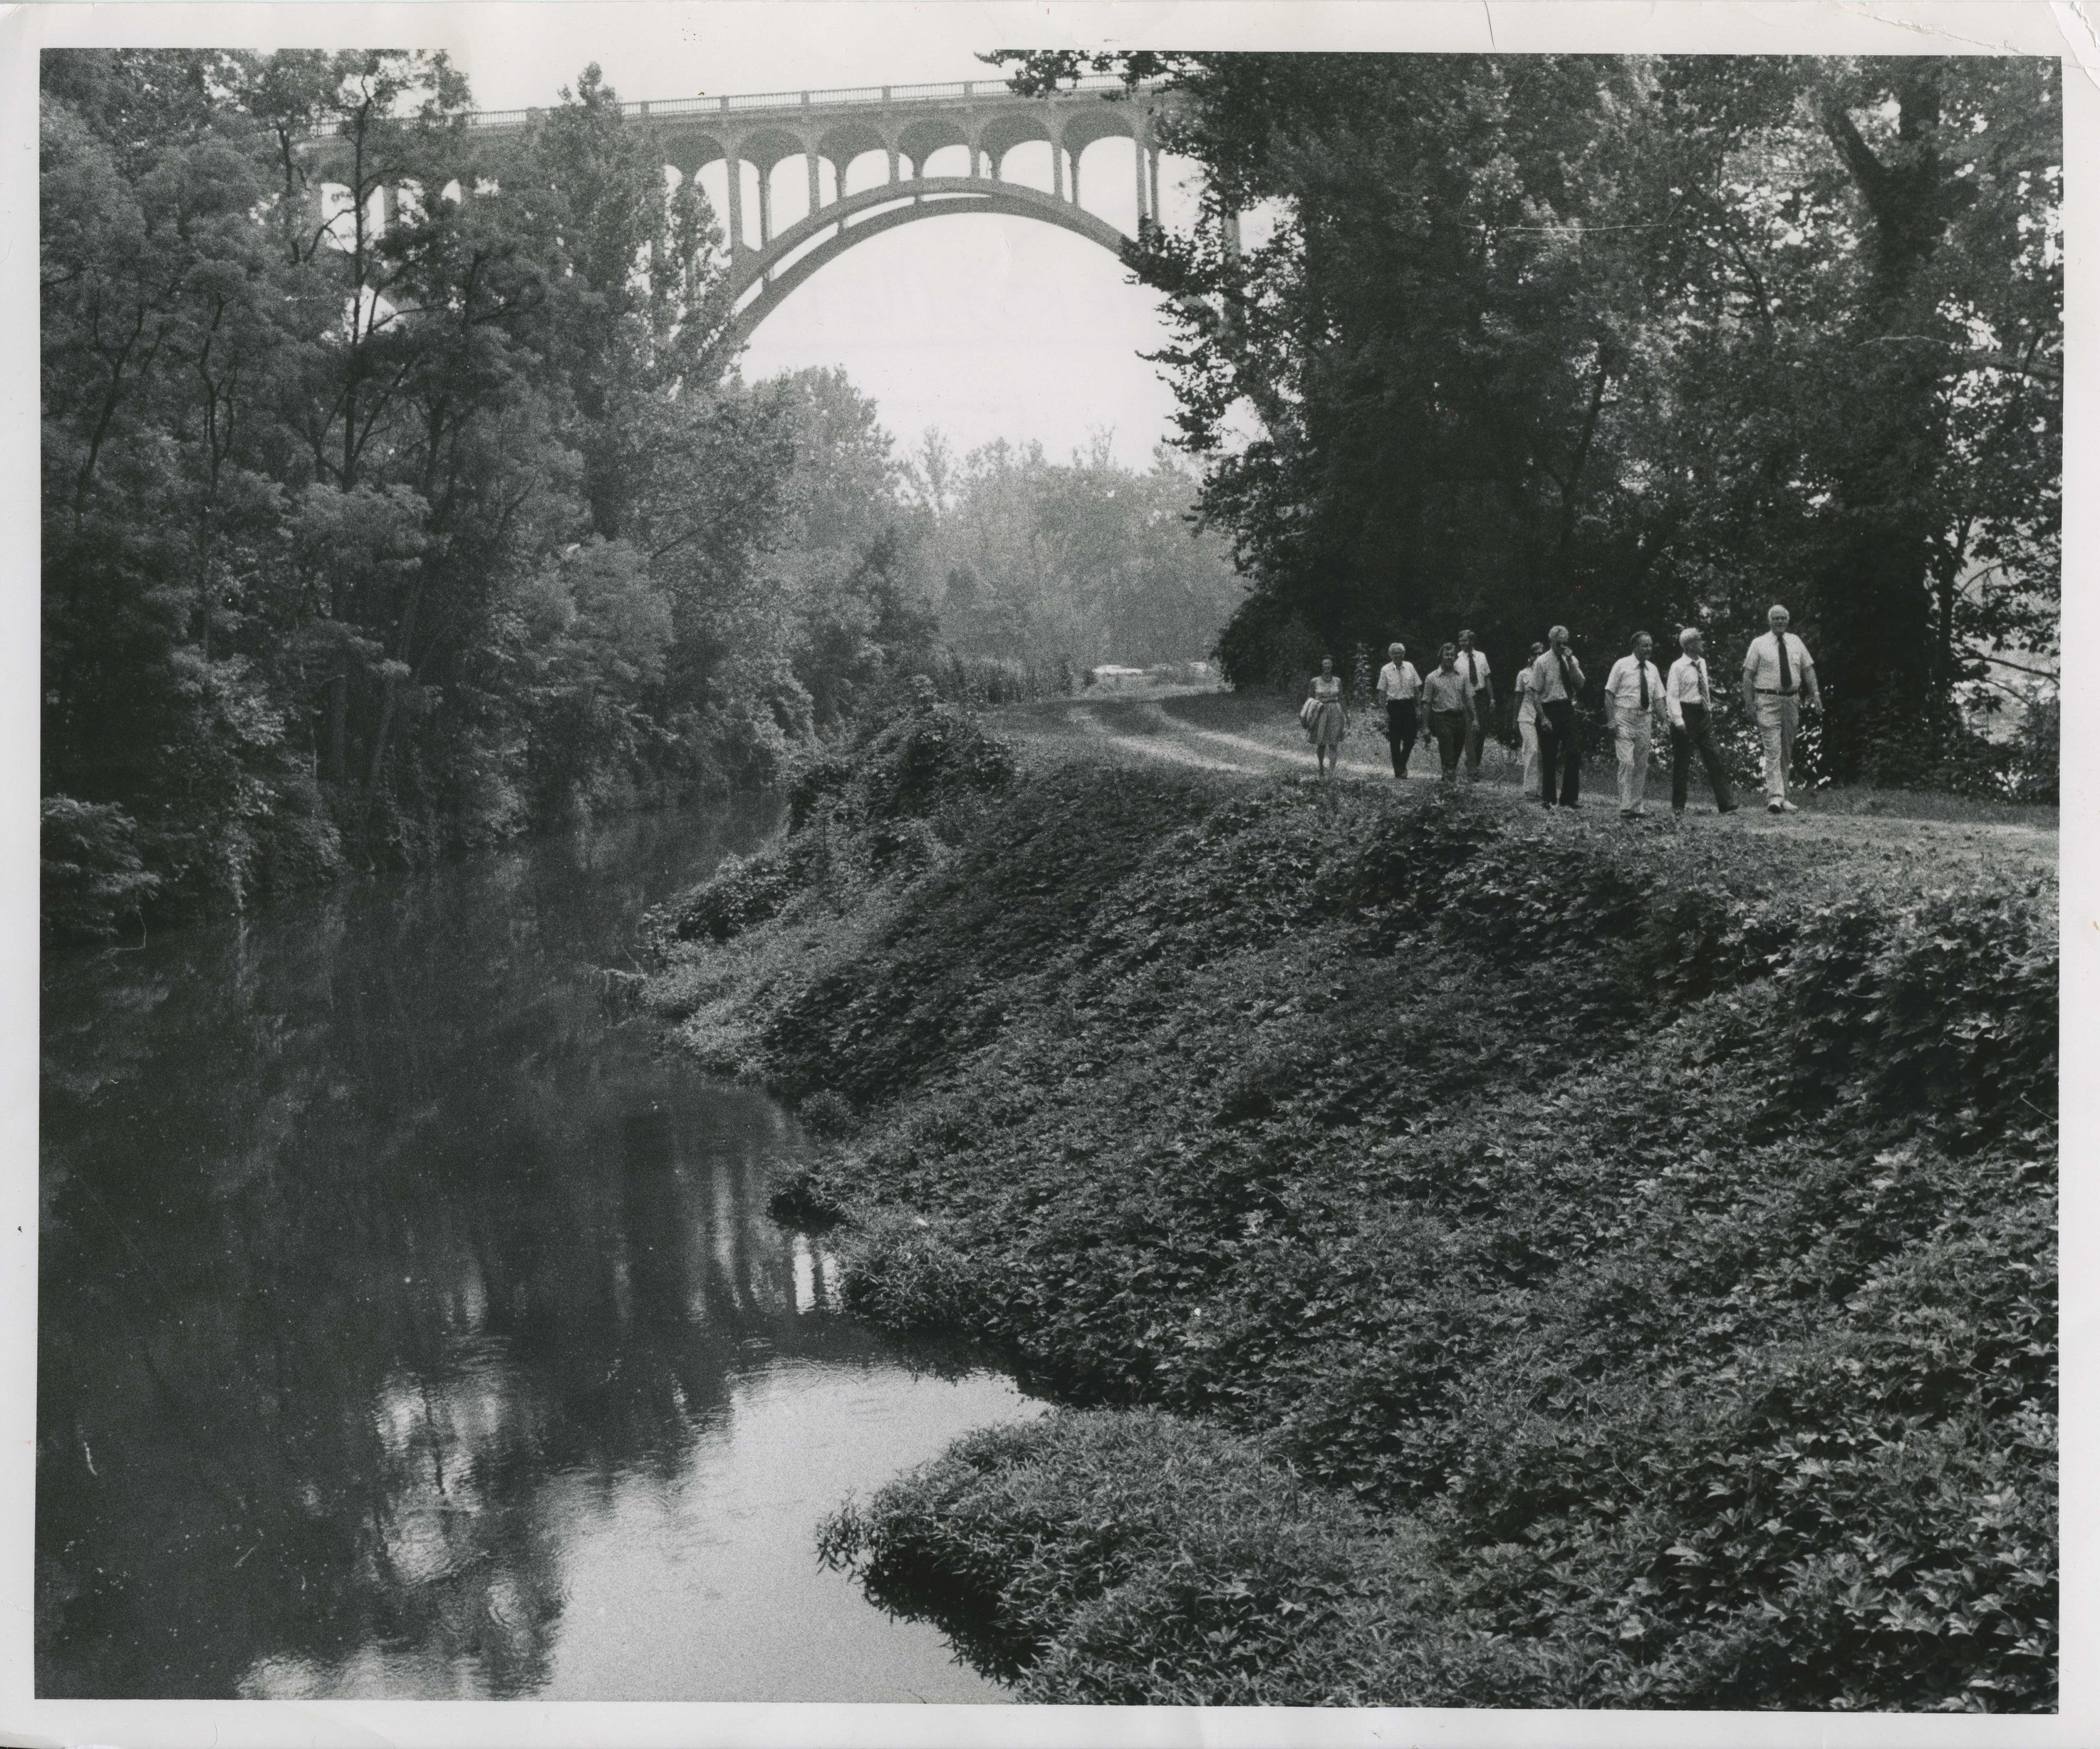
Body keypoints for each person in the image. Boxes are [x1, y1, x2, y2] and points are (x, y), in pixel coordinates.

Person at [1740, 605, 1821, 814]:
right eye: (1776, 619)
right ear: (1769, 621)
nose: (1780, 622)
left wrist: (1816, 695)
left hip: (1791, 701)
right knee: (1773, 748)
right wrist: (1749, 704)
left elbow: (1808, 670)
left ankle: (1782, 796)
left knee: (1786, 749)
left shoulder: (1796, 642)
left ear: (1788, 620)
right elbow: (1748, 676)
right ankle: (1775, 797)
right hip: (1767, 700)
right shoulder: (1759, 644)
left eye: (1783, 619)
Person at [1666, 627, 1737, 816]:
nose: (1703, 644)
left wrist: (1709, 711)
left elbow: (1703, 688)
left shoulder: (1702, 663)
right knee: (1682, 761)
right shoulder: (1678, 667)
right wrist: (1678, 720)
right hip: (1685, 713)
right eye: (1699, 641)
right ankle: (1678, 806)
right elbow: (1672, 696)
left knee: (1714, 756)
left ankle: (1726, 803)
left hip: (1702, 714)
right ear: (1689, 645)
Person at [1604, 631, 1669, 819]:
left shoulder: (1653, 669)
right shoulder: (1621, 665)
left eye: (1650, 645)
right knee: (1626, 761)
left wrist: (1665, 721)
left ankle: (1636, 806)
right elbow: (1609, 694)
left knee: (1641, 763)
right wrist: (1611, 721)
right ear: (1635, 647)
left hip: (1644, 719)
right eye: (1644, 645)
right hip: (1623, 716)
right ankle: (1625, 806)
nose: (1649, 649)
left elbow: (1658, 698)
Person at [1529, 625, 1586, 807]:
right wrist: (1543, 717)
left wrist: (1570, 661)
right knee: (1549, 756)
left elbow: (1580, 684)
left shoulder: (1571, 659)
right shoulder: (1542, 662)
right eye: (1559, 643)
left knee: (1574, 751)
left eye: (1566, 642)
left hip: (1567, 708)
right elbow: (1534, 692)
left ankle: (1569, 798)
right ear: (1551, 641)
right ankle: (1549, 797)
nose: (1562, 646)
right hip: (1549, 708)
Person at [1420, 644, 1475, 782]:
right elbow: (1426, 702)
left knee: (1457, 749)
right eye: (1446, 654)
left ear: (1455, 657)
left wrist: (1475, 718)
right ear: (1441, 657)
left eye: (1452, 655)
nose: (1449, 657)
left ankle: (1448, 775)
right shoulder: (1432, 677)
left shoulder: (1462, 676)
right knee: (1447, 748)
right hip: (1442, 717)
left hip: (1460, 717)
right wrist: (1425, 726)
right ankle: (1450, 780)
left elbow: (1469, 698)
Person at [1374, 642, 1422, 779]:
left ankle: (1402, 763)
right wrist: (1384, 711)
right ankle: (1399, 770)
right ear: (1390, 655)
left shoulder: (1410, 667)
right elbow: (1382, 692)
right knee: (1395, 739)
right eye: (1394, 653)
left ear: (1403, 654)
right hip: (1394, 706)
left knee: (1411, 738)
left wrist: (1418, 708)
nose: (1397, 655)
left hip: (1408, 705)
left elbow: (1417, 689)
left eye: (1399, 653)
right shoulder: (1385, 670)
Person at [1455, 628, 1495, 782]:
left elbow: (1487, 678)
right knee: (1469, 733)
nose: (1463, 643)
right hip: (1464, 697)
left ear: (1472, 641)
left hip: (1480, 696)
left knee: (1481, 733)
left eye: (1466, 640)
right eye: (1461, 641)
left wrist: (1492, 699)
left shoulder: (1481, 657)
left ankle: (1474, 764)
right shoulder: (1456, 659)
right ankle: (1472, 770)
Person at [1304, 655, 1348, 777]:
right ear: (1322, 666)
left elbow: (1342, 698)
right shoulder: (1315, 681)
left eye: (1330, 664)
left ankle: (1332, 772)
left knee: (1334, 742)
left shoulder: (1337, 681)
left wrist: (1346, 715)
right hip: (1320, 712)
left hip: (1335, 712)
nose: (1327, 666)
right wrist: (1308, 715)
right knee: (1321, 743)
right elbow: (1310, 699)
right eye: (1325, 664)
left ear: (1332, 666)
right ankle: (1321, 769)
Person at [1514, 640, 1546, 795]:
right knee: (1532, 749)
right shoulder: (1523, 674)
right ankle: (1530, 789)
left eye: (1542, 653)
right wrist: (1515, 719)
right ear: (1531, 657)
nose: (1539, 656)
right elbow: (1518, 697)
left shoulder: (1548, 673)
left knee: (1543, 752)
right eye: (1536, 654)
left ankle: (1541, 789)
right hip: (1526, 716)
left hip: (1544, 717)